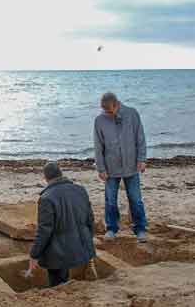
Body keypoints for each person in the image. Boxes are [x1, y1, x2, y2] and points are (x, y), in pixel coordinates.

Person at [29, 162, 96, 287]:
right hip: (82, 247)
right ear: (61, 173)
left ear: (46, 178)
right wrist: (88, 241)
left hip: (59, 254)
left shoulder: (46, 198)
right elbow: (90, 220)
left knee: (57, 282)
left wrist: (34, 255)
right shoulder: (81, 190)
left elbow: (44, 231)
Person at [93, 92, 148, 243]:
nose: (107, 114)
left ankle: (141, 229)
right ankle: (111, 228)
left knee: (135, 199)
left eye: (110, 111)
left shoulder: (132, 114)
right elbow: (98, 146)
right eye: (105, 111)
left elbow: (140, 138)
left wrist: (142, 159)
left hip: (131, 165)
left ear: (116, 104)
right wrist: (101, 168)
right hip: (111, 169)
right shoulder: (99, 120)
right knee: (110, 200)